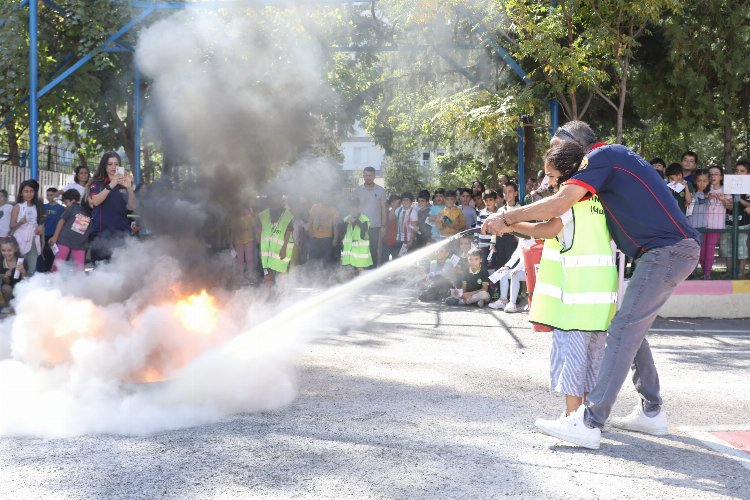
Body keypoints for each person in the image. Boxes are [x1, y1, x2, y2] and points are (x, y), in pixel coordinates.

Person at [484, 120, 700, 450]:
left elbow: (558, 207)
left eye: (559, 147)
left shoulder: (600, 158)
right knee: (631, 330)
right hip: (666, 251)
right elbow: (560, 217)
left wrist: (508, 217)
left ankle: (590, 422)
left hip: (666, 251)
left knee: (623, 331)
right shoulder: (609, 163)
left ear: (579, 147)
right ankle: (651, 410)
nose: (555, 156)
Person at [507, 142, 618, 420]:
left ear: (569, 172)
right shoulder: (600, 198)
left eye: (553, 176)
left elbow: (548, 229)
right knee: (595, 361)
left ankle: (573, 419)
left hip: (577, 296)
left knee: (574, 360)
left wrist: (508, 223)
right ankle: (593, 420)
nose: (549, 181)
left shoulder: (572, 199)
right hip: (602, 295)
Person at [87, 151, 137, 264]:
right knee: (102, 273)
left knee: (122, 273)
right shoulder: (97, 183)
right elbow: (95, 201)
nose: (113, 167)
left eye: (116, 164)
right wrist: (111, 185)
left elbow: (132, 206)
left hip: (121, 234)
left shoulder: (124, 183)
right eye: (110, 164)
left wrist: (129, 188)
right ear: (104, 166)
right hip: (101, 235)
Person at [699, 166, 731, 279]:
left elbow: (730, 207)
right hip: (702, 224)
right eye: (711, 174)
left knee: (710, 249)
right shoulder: (705, 188)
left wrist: (723, 199)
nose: (713, 176)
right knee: (702, 249)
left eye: (716, 174)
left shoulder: (725, 189)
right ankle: (704, 271)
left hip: (716, 225)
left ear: (721, 176)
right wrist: (707, 197)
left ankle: (707, 273)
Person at [48, 189, 92, 272]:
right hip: (65, 241)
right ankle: (52, 281)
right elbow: (61, 221)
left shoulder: (89, 212)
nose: (65, 205)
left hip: (80, 244)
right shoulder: (72, 208)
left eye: (66, 202)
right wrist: (55, 237)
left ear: (73, 200)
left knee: (79, 269)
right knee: (57, 265)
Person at [720, 161, 750, 277]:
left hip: (743, 223)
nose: (738, 173)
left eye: (742, 171)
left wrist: (738, 198)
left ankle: (741, 272)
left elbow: (748, 205)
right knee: (727, 247)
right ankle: (729, 271)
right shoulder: (729, 185)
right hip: (729, 221)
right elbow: (727, 205)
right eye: (736, 171)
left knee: (741, 248)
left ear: (748, 174)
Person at [258, 191, 295, 284]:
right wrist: (260, 248)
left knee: (281, 277)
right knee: (268, 277)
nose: (273, 200)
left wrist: (284, 248)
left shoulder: (287, 214)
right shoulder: (263, 214)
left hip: (280, 251)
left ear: (279, 199)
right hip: (267, 253)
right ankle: (270, 296)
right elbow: (259, 231)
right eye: (271, 197)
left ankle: (281, 296)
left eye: (276, 197)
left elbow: (288, 231)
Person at [354, 166, 386, 267]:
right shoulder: (358, 190)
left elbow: (383, 209)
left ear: (374, 176)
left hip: (374, 227)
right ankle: (360, 276)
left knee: (373, 252)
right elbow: (354, 208)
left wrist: (383, 226)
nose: (368, 177)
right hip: (360, 227)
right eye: (366, 175)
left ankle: (371, 274)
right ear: (363, 176)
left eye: (370, 175)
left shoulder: (381, 190)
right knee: (360, 252)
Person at [487, 237, 530, 313]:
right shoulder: (521, 240)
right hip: (522, 270)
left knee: (515, 275)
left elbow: (527, 257)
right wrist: (506, 266)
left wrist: (517, 268)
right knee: (503, 273)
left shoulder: (533, 240)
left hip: (532, 271)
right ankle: (503, 301)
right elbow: (515, 255)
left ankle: (512, 304)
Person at [9, 180, 43, 276]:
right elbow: (11, 226)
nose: (29, 194)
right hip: (20, 239)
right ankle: (17, 286)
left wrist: (40, 227)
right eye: (26, 191)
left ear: (35, 193)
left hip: (33, 239)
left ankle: (29, 286)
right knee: (19, 265)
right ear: (21, 193)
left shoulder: (37, 207)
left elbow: (39, 222)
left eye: (31, 191)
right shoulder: (17, 207)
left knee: (32, 266)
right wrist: (20, 223)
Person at [341, 197, 373, 273]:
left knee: (362, 280)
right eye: (351, 207)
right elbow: (341, 232)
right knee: (348, 278)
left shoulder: (364, 219)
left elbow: (364, 229)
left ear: (359, 208)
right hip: (348, 258)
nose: (353, 209)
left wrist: (355, 221)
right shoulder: (346, 219)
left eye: (355, 207)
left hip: (360, 260)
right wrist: (345, 224)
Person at [40, 187, 65, 272]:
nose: (49, 197)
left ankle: (55, 272)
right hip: (45, 235)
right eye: (47, 195)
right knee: (46, 254)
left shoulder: (61, 208)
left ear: (56, 196)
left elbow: (62, 223)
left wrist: (57, 236)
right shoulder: (43, 207)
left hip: (55, 236)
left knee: (55, 255)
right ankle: (47, 272)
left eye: (51, 195)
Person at [231, 205, 258, 281]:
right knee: (240, 259)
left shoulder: (249, 217)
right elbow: (232, 231)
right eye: (241, 208)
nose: (242, 210)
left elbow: (254, 227)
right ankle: (241, 275)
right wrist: (230, 242)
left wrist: (257, 236)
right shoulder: (235, 219)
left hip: (249, 240)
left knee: (249, 258)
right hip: (238, 241)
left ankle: (250, 274)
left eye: (244, 208)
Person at [0, 237, 27, 311]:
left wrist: (23, 272)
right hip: (8, 290)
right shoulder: (1, 262)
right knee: (6, 288)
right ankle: (9, 306)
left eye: (9, 250)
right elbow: (6, 283)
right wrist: (6, 277)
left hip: (20, 288)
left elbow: (24, 281)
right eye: (3, 250)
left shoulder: (21, 261)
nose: (6, 253)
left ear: (15, 249)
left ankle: (21, 306)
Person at [474, 189, 499, 266]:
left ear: (495, 200)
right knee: (483, 264)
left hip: (495, 244)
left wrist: (493, 243)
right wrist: (475, 241)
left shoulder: (499, 213)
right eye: (486, 200)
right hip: (483, 244)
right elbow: (477, 227)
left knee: (494, 264)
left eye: (491, 200)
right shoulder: (481, 213)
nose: (488, 202)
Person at [394, 192, 418, 257]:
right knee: (398, 259)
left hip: (408, 240)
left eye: (408, 200)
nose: (405, 202)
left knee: (408, 261)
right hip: (399, 239)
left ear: (411, 202)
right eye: (404, 200)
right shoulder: (398, 210)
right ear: (401, 201)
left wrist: (411, 241)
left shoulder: (413, 212)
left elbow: (414, 228)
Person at [381, 195, 402, 264]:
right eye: (395, 202)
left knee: (396, 265)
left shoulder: (401, 212)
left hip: (397, 243)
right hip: (387, 242)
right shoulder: (387, 212)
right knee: (384, 264)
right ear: (391, 203)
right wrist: (394, 207)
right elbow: (390, 218)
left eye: (399, 203)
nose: (398, 204)